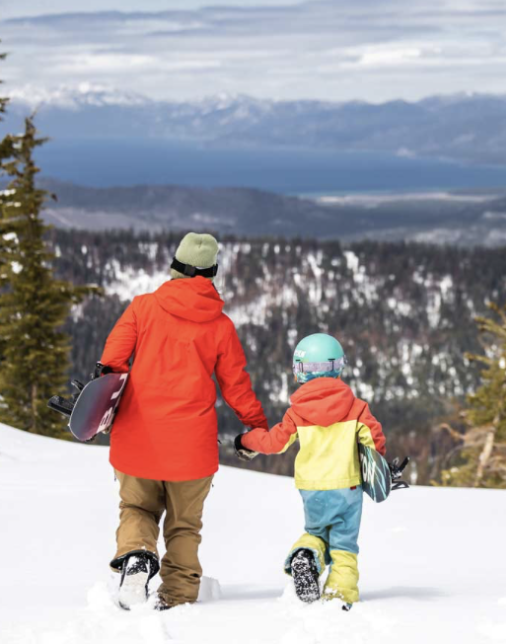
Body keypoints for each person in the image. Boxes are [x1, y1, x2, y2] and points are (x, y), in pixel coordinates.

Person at [99, 232, 269, 610]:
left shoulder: (142, 308)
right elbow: (236, 387)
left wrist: (101, 411)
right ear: (212, 273)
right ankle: (176, 598)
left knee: (137, 510)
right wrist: (256, 426)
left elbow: (111, 364)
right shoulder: (220, 326)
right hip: (192, 448)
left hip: (137, 438)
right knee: (184, 526)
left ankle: (138, 557)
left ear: (175, 267)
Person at [235, 333, 386, 610]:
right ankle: (340, 593)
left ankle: (305, 553)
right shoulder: (356, 408)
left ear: (300, 372)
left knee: (316, 531)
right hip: (347, 487)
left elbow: (274, 443)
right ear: (338, 366)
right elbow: (373, 440)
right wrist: (379, 467)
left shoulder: (297, 413)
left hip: (312, 487)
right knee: (343, 544)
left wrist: (245, 441)